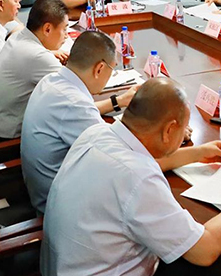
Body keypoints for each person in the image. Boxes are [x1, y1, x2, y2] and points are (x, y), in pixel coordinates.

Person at [41, 78, 221, 276]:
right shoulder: (138, 178)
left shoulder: (97, 133)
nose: (184, 135)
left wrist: (197, 153)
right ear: (169, 130)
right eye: (183, 129)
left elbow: (144, 161)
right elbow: (205, 250)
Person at [21, 30, 139, 214]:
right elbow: (122, 159)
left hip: (43, 188)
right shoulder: (75, 104)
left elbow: (80, 112)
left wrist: (119, 101)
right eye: (112, 69)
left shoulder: (51, 80)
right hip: (61, 207)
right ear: (99, 69)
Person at [0, 0, 69, 139]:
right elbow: (74, 90)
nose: (66, 36)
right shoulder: (38, 56)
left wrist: (50, 54)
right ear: (47, 29)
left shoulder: (17, 37)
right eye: (65, 29)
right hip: (4, 138)